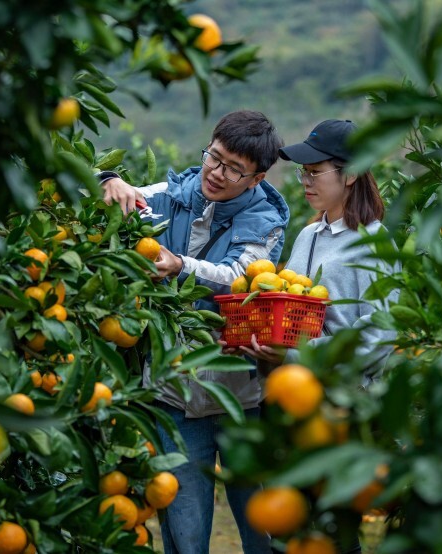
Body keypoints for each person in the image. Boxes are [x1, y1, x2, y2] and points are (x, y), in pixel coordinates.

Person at [100, 109, 289, 554]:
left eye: (233, 170)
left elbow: (240, 276)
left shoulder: (266, 221)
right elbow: (106, 197)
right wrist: (106, 179)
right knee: (185, 538)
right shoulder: (175, 194)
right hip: (175, 396)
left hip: (240, 398)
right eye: (214, 158)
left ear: (256, 178)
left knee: (264, 533)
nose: (217, 174)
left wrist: (181, 266)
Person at [233, 119, 400, 553]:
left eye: (315, 172)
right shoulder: (309, 234)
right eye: (303, 173)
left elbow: (380, 338)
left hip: (337, 411)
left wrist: (309, 356)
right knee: (291, 528)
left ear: (350, 174)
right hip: (291, 406)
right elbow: (290, 310)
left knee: (330, 531)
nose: (305, 181)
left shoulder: (371, 244)